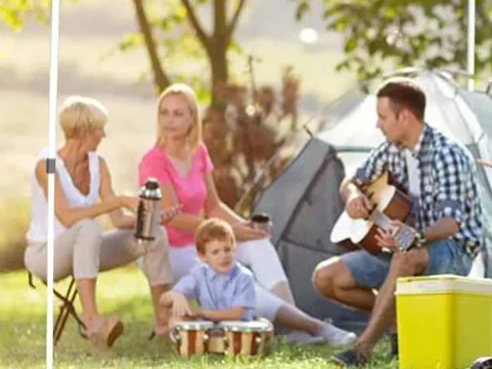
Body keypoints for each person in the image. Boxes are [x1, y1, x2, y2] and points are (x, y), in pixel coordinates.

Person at [138, 83, 355, 346]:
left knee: (258, 241)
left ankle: (291, 329)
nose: (169, 120)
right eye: (165, 112)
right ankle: (316, 327)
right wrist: (229, 233)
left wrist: (245, 227)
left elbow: (214, 206)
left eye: (178, 113)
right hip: (173, 251)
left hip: (206, 242)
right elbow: (174, 218)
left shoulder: (198, 153)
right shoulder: (153, 161)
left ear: (192, 118)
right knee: (235, 279)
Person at [312, 78, 484, 366]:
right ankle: (399, 325)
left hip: (451, 249)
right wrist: (353, 196)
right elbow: (351, 180)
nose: (378, 125)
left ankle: (362, 349)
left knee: (405, 257)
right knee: (325, 278)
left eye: (382, 117)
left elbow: (450, 224)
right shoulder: (390, 148)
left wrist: (411, 237)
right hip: (403, 246)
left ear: (404, 117)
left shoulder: (447, 154)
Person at [24, 96, 175, 348]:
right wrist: (119, 200)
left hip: (86, 247)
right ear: (83, 131)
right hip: (45, 254)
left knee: (154, 235)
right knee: (87, 226)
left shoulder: (98, 164)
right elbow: (67, 217)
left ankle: (165, 323)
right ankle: (93, 322)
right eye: (99, 129)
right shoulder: (47, 164)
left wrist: (149, 218)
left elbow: (117, 220)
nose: (103, 134)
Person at [162, 219, 256, 325]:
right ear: (202, 256)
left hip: (236, 328)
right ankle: (183, 340)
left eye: (227, 249)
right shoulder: (199, 273)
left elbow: (237, 314)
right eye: (215, 252)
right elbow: (164, 299)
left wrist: (203, 314)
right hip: (208, 327)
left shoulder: (244, 276)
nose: (223, 256)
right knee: (175, 319)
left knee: (236, 324)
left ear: (234, 249)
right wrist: (175, 295)